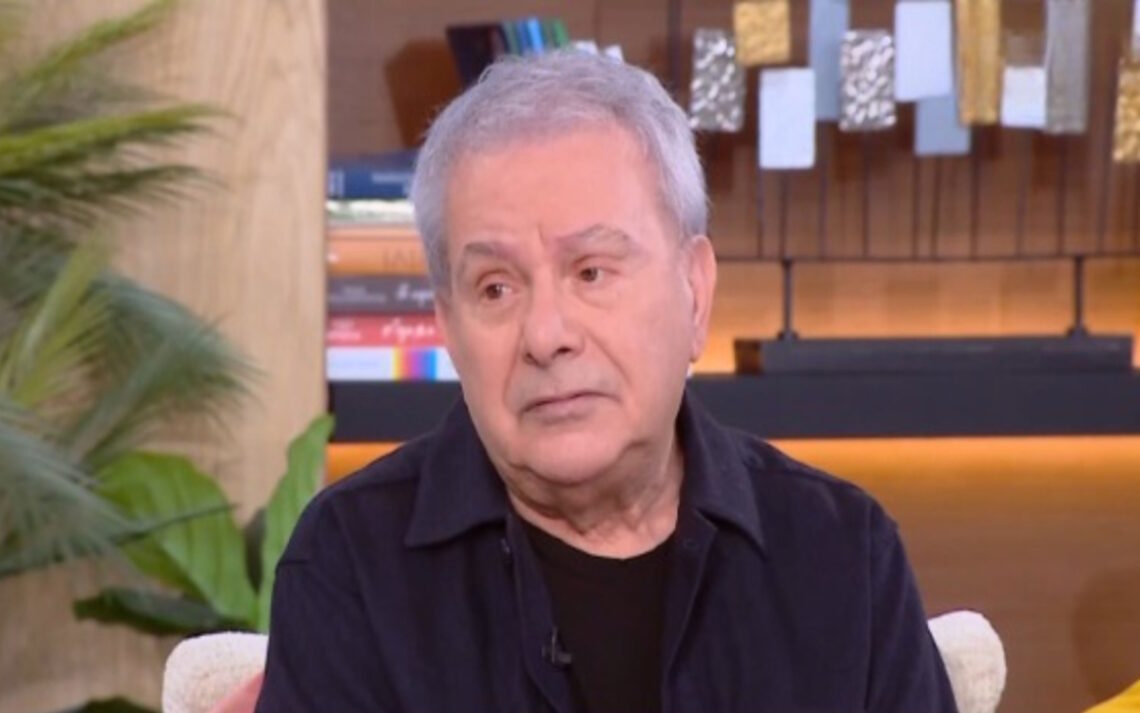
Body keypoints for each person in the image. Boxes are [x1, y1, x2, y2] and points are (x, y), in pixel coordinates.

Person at [255, 50, 957, 713]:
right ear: (448, 326)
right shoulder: (350, 563)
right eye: (496, 287)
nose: (545, 334)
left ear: (695, 291)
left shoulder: (842, 553)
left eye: (591, 271)